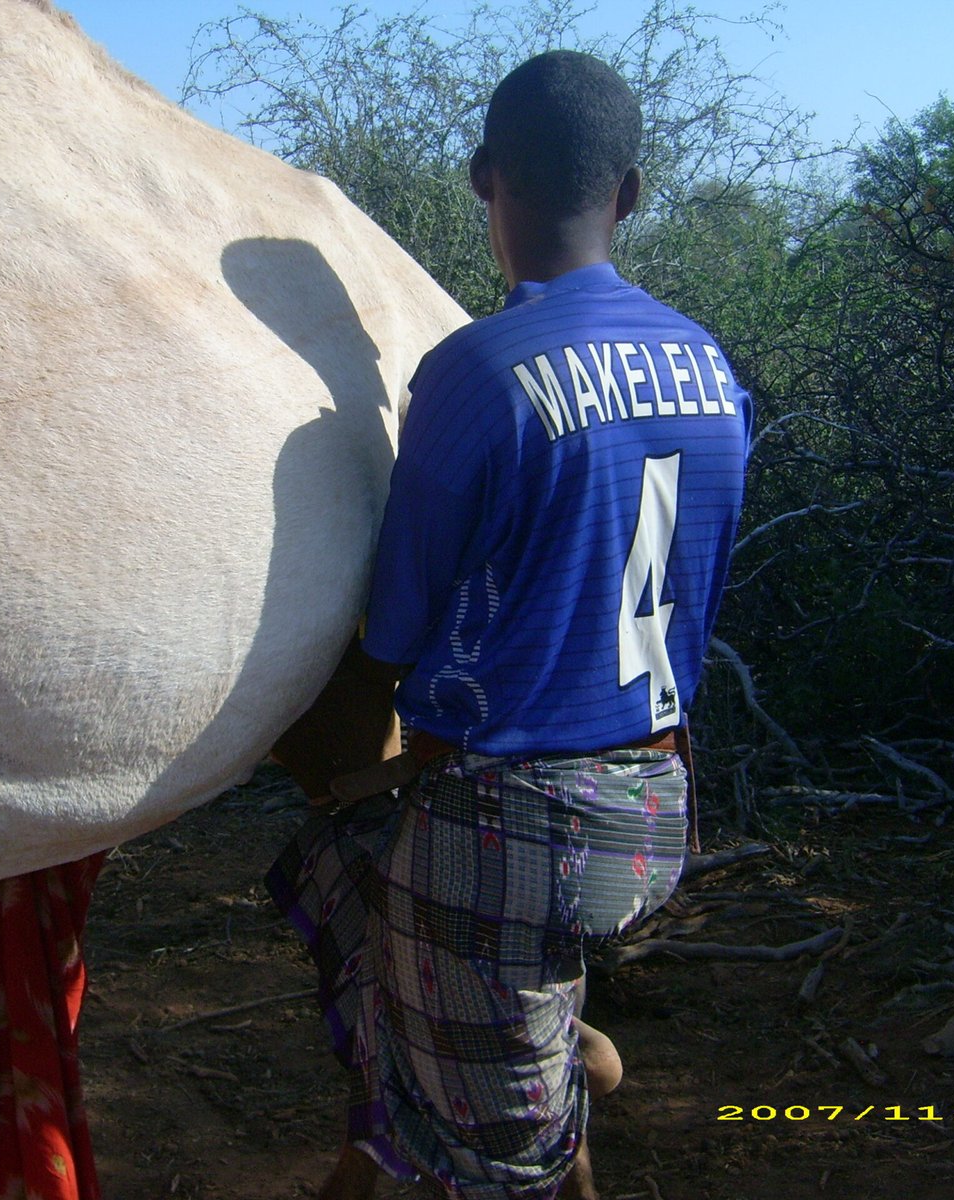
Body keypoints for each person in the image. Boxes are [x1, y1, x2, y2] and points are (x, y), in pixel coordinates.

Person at [266, 49, 752, 1200]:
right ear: (628, 193)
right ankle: (529, 1061)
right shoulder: (710, 367)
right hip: (655, 810)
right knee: (354, 877)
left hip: (510, 835)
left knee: (497, 1171)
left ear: (486, 176)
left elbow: (392, 637)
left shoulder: (478, 372)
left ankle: (516, 1091)